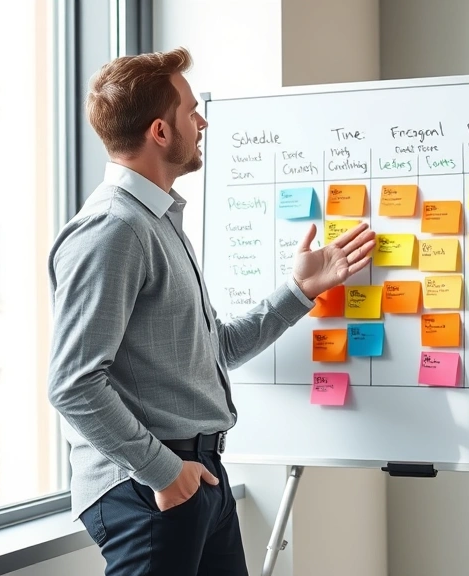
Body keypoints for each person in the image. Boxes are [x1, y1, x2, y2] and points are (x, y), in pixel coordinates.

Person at [46, 47, 375, 576]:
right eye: (190, 111)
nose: (201, 122)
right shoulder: (114, 230)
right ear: (159, 131)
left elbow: (214, 349)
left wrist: (299, 288)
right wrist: (163, 472)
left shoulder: (157, 220)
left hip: (196, 473)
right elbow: (72, 385)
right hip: (151, 485)